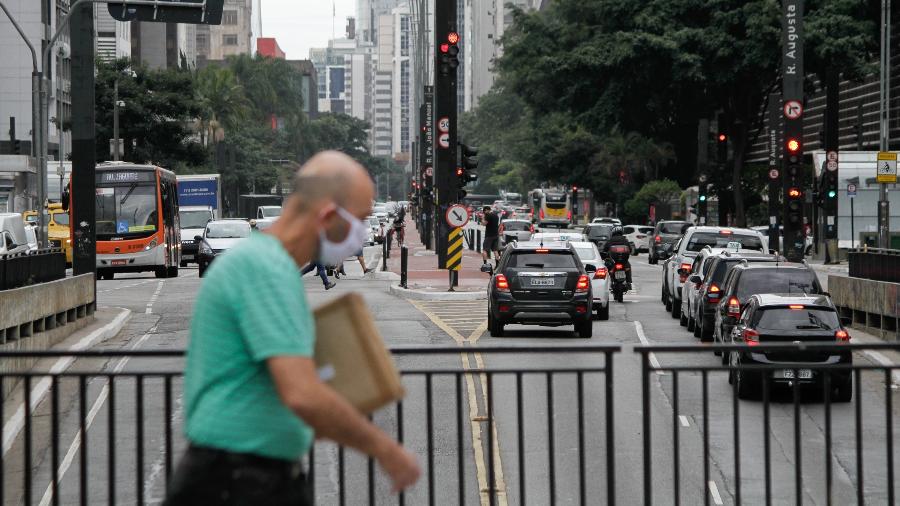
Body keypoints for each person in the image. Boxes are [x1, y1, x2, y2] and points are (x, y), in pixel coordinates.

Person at [165, 151, 420, 505]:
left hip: (247, 474)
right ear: (329, 216)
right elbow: (302, 394)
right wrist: (386, 450)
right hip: (237, 481)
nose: (362, 233)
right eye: (360, 220)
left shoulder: (269, 264)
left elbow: (284, 392)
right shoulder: (264, 268)